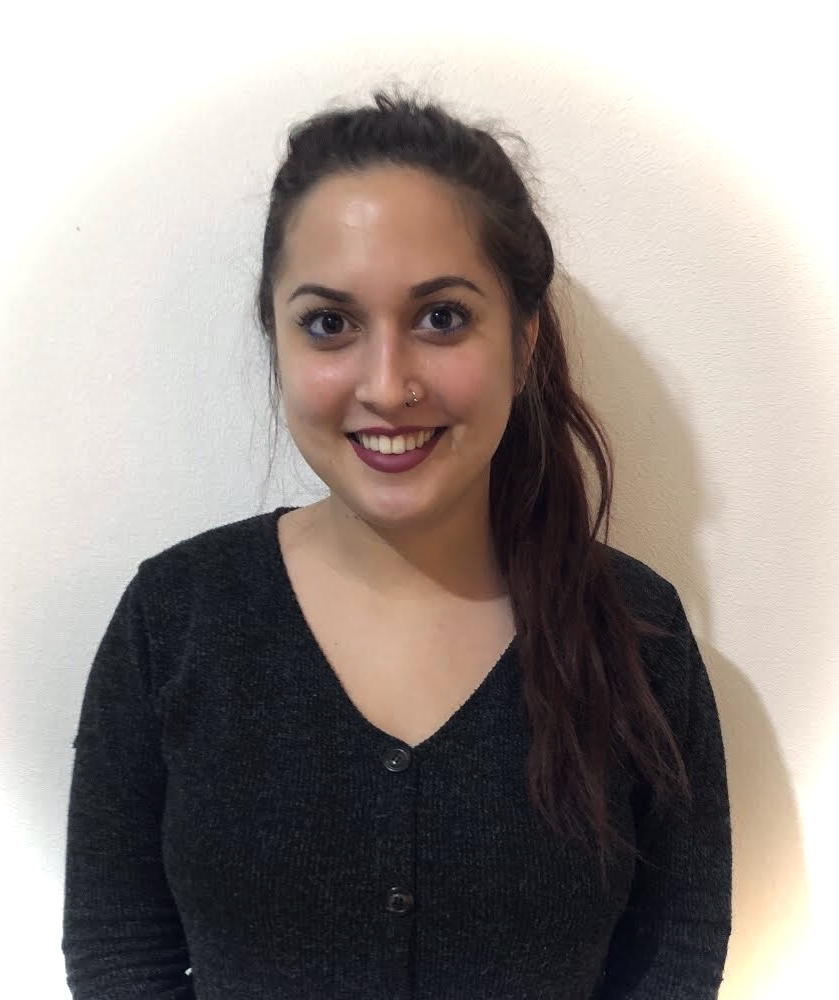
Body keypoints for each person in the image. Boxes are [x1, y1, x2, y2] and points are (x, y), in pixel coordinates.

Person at [62, 90, 732, 999]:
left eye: (441, 317)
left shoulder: (635, 630)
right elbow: (119, 950)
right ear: (276, 341)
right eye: (329, 324)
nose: (386, 385)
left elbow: (674, 951)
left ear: (523, 339)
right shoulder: (175, 618)